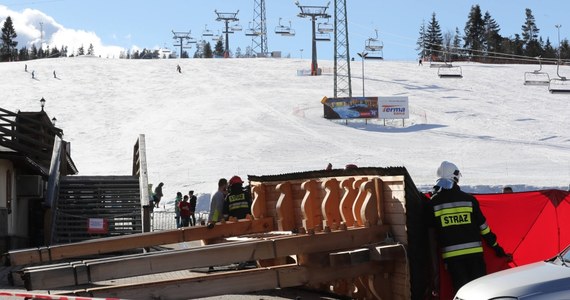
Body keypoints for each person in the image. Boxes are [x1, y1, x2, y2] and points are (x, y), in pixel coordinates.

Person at [426, 161, 511, 295]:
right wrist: (496, 248)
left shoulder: (433, 203)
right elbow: (484, 228)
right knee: (481, 292)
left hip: (453, 260)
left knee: (462, 294)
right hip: (475, 257)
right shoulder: (469, 200)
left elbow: (431, 236)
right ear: (455, 178)